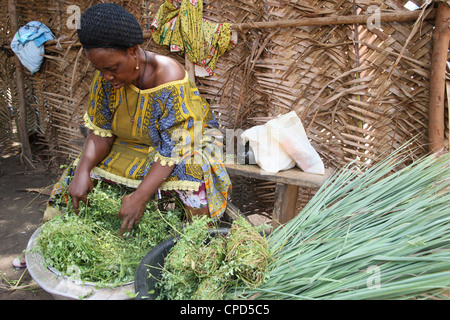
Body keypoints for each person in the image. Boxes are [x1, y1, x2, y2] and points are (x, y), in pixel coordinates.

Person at [45, 3, 231, 237]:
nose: (107, 76)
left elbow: (175, 147)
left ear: (133, 51)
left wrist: (140, 198)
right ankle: (57, 233)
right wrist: (83, 170)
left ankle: (198, 242)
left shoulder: (168, 77)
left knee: (190, 169)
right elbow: (101, 133)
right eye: (100, 69)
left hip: (187, 143)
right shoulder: (106, 78)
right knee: (80, 171)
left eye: (112, 68)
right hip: (134, 143)